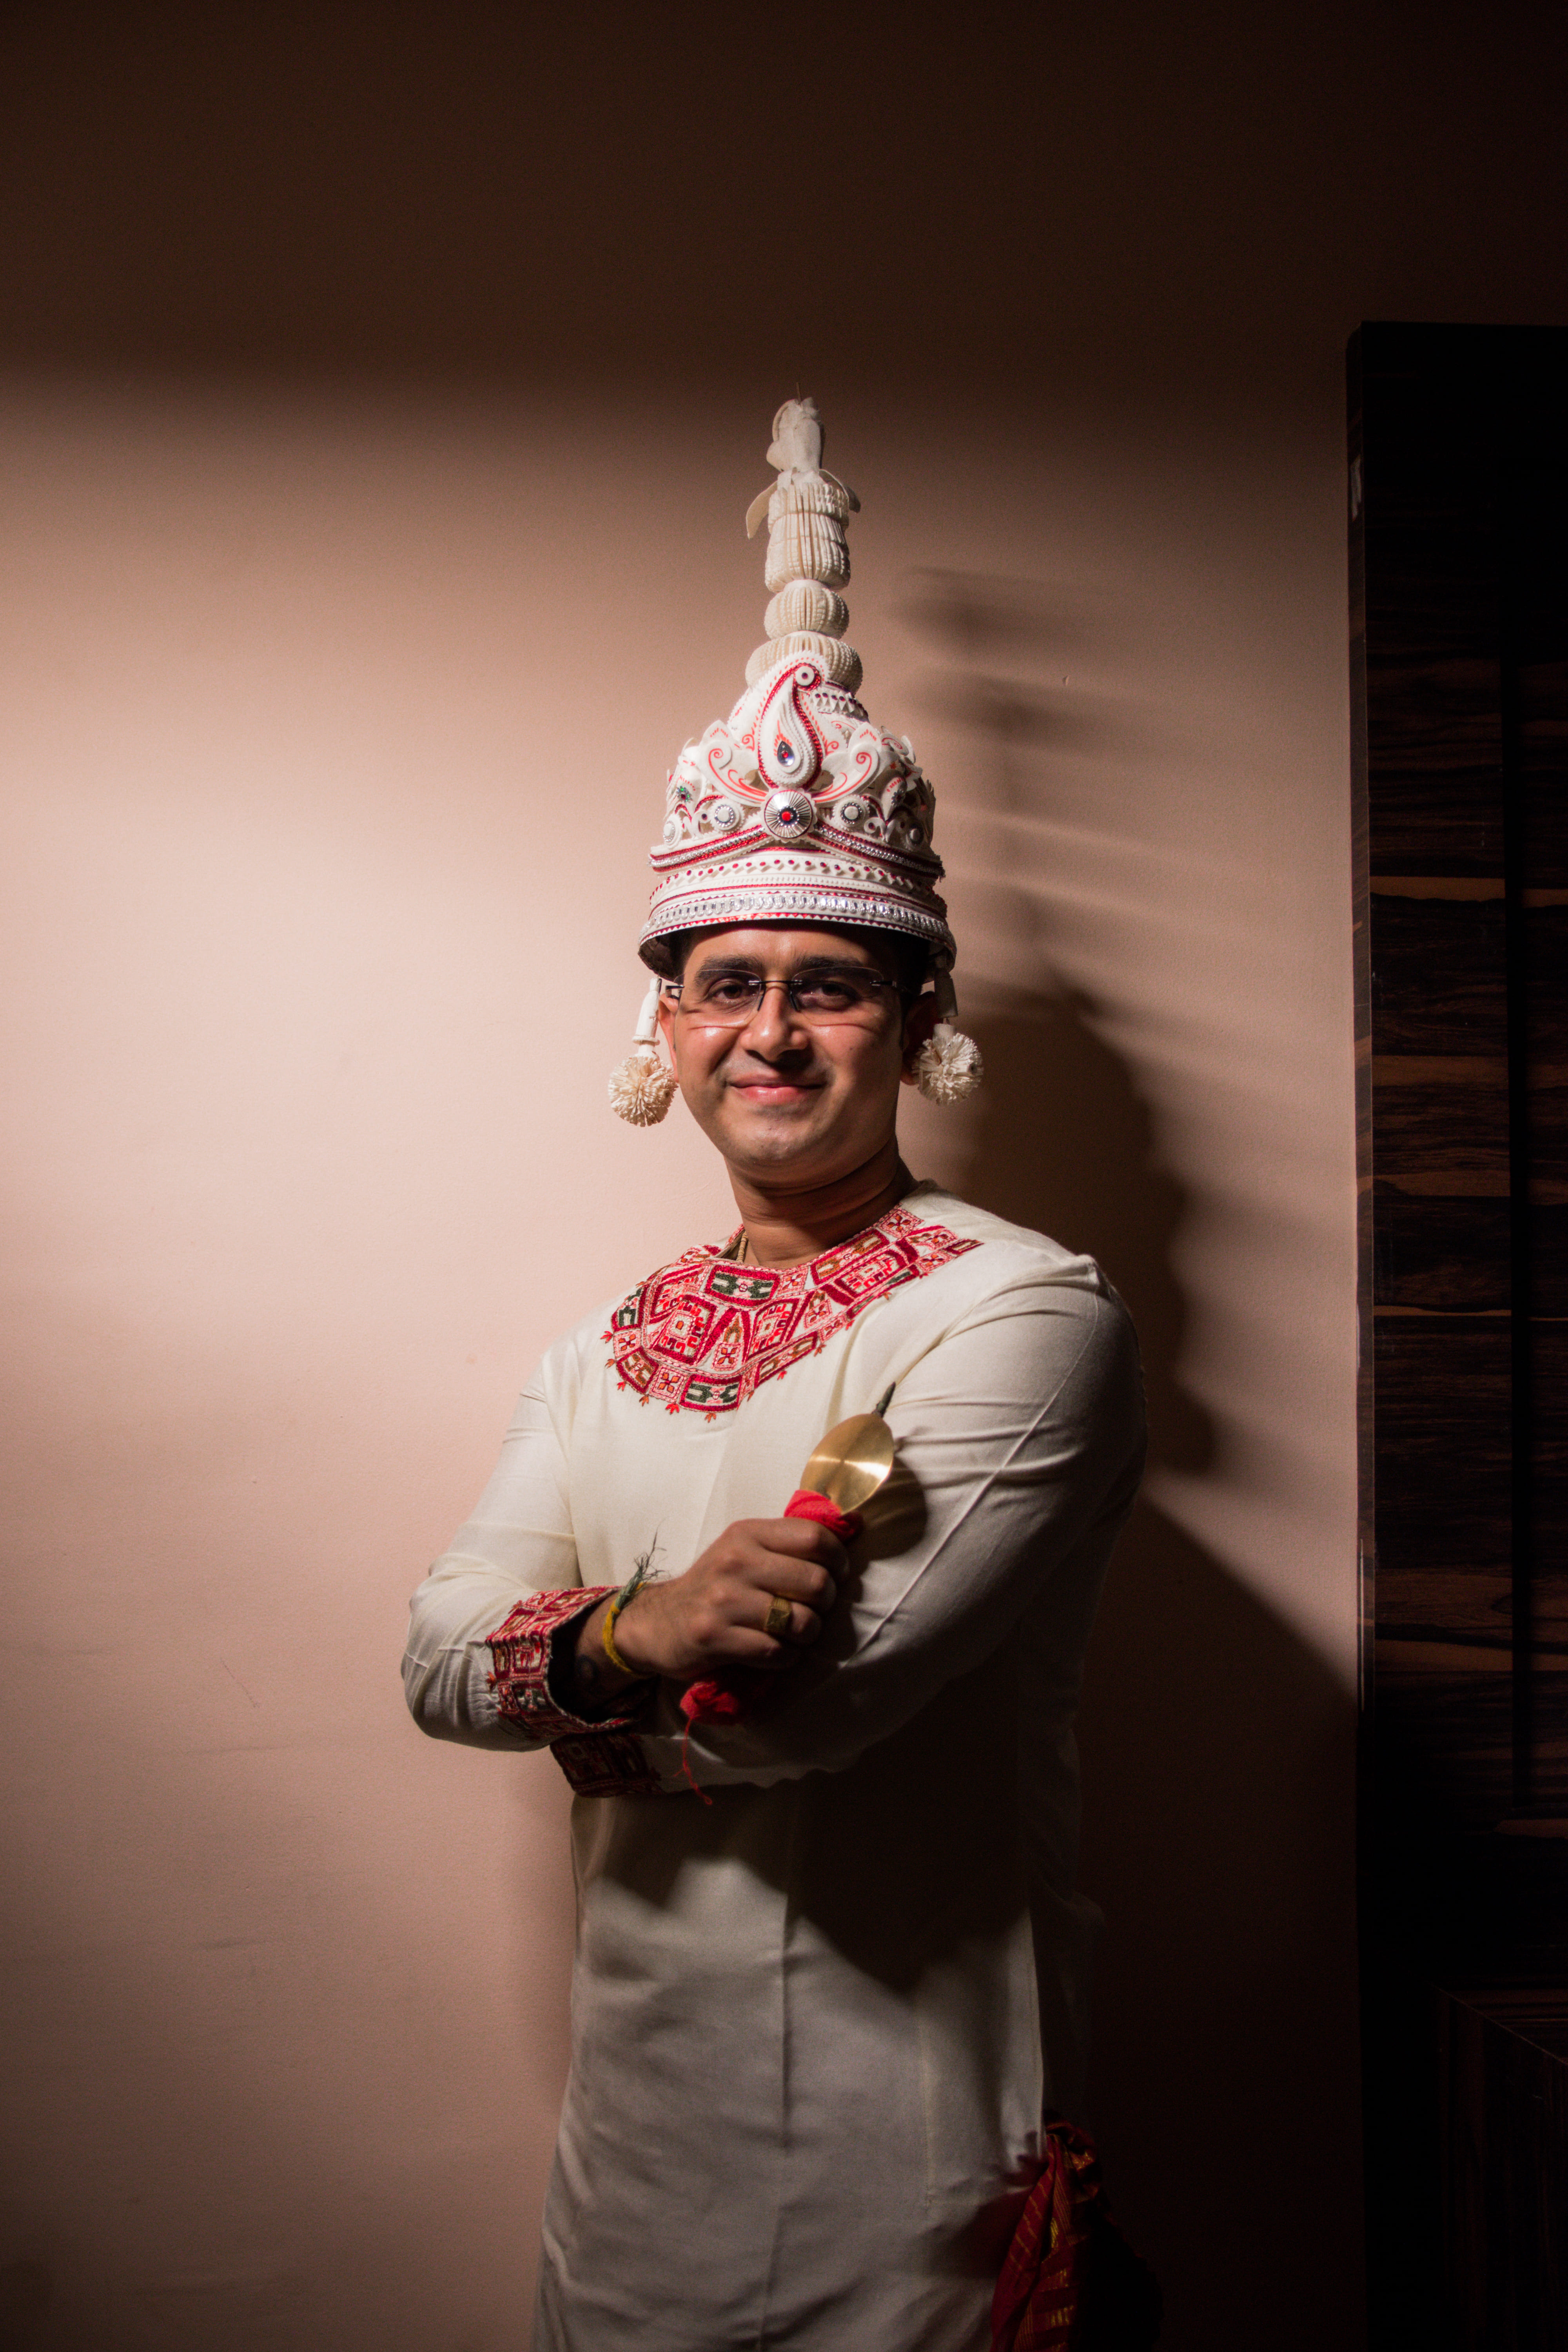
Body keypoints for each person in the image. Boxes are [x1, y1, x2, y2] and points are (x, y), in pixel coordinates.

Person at [403, 402, 1147, 2352]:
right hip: (631, 2169)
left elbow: (809, 1719)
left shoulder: (1020, 1314)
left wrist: (561, 1659)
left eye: (827, 983)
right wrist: (644, 1626)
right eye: (728, 983)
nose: (772, 1032)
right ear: (666, 1022)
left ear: (918, 1014)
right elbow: (423, 1657)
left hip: (912, 2174)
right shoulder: (602, 1344)